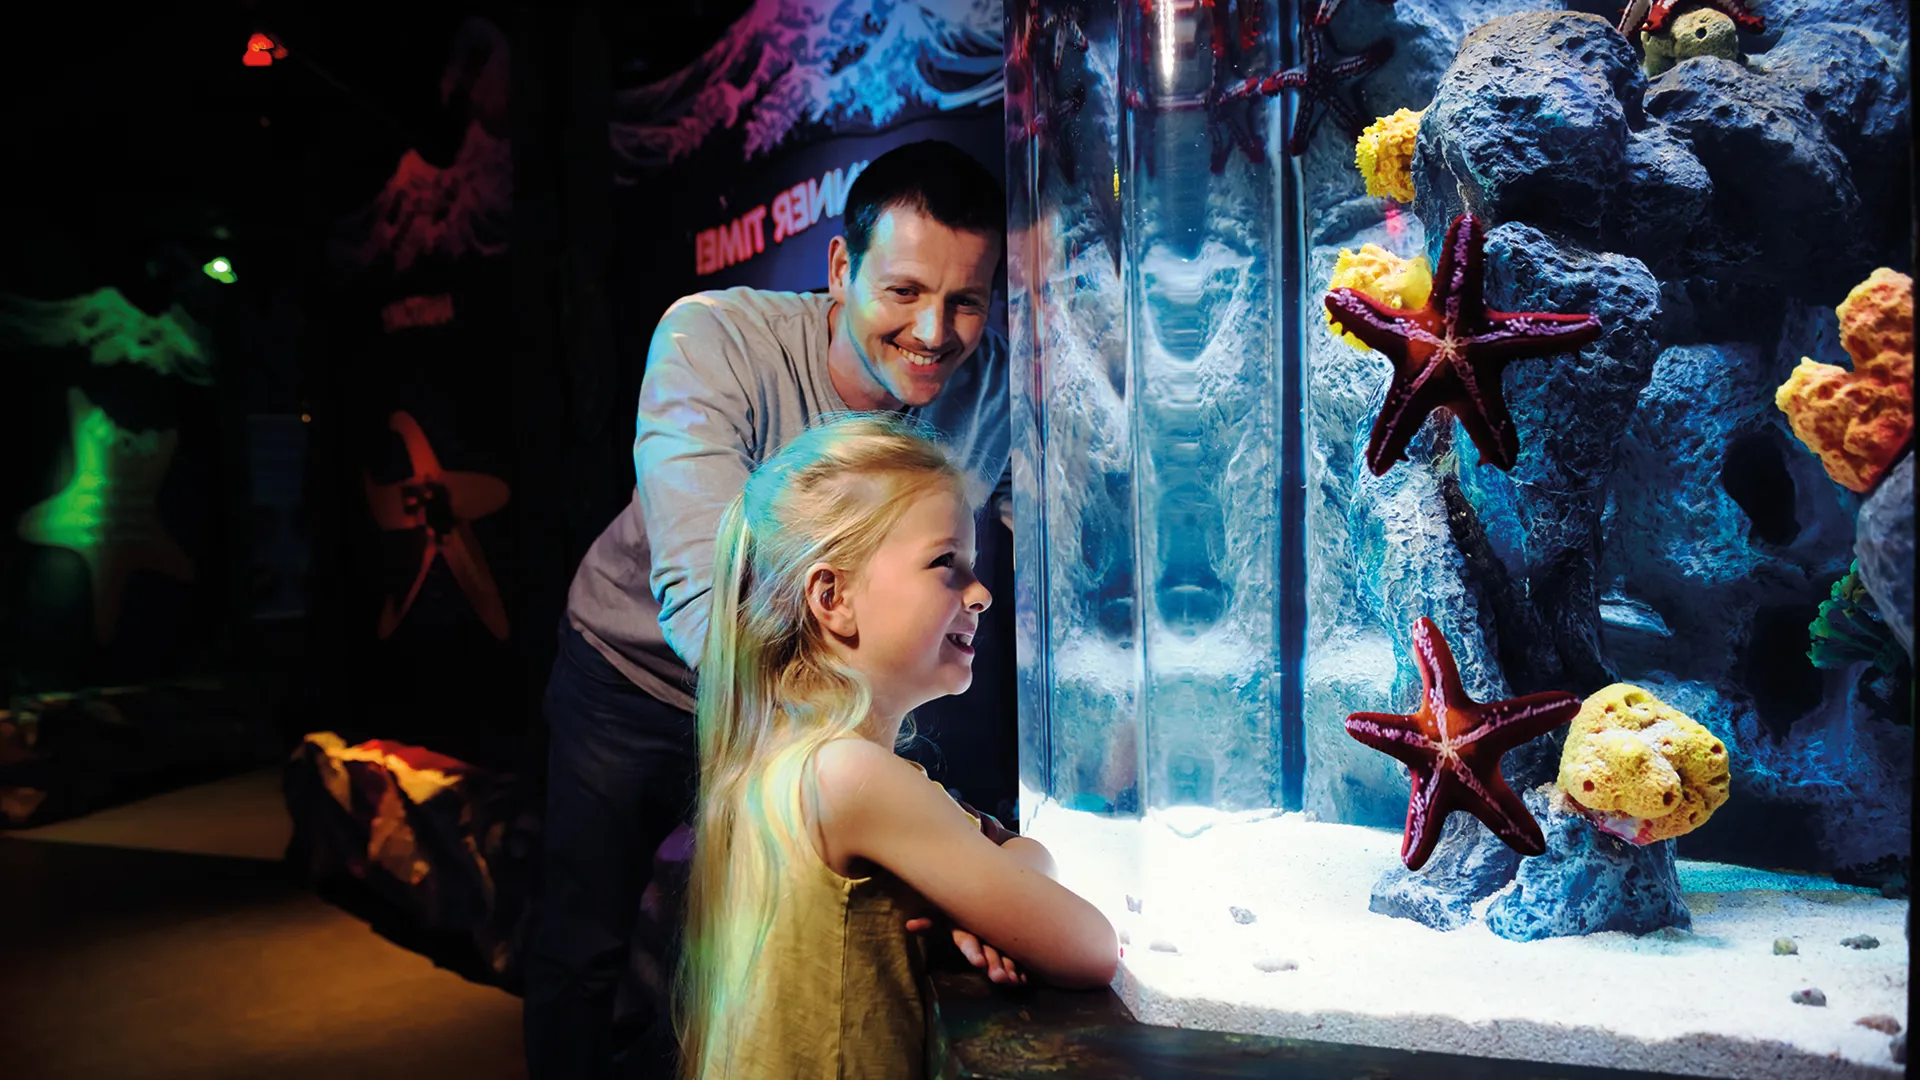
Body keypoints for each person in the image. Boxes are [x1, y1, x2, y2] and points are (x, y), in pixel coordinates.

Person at [524, 140, 1015, 1079]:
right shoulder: (714, 338)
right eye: (904, 291)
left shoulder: (987, 387)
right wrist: (922, 815)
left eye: (966, 301)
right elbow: (707, 595)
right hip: (641, 675)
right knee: (584, 949)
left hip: (821, 720)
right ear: (841, 269)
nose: (935, 332)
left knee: (731, 953)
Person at [678, 412, 1117, 1080]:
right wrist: (995, 895)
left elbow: (1012, 855)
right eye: (947, 564)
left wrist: (986, 893)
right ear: (833, 598)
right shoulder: (851, 778)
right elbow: (1088, 947)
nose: (983, 592)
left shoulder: (789, 759)